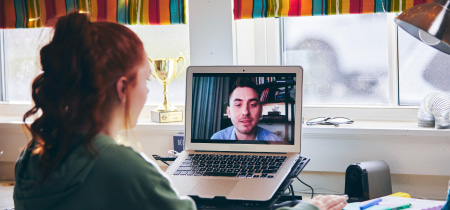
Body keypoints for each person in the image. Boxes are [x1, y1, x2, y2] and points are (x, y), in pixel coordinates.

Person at [13, 12, 347, 210]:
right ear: (122, 88)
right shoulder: (119, 166)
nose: (147, 90)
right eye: (145, 79)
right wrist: (308, 205)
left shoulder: (32, 157)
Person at [211, 77, 282, 141]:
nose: (245, 112)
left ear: (261, 111)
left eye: (252, 104)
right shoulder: (217, 139)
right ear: (229, 112)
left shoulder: (274, 141)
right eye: (238, 104)